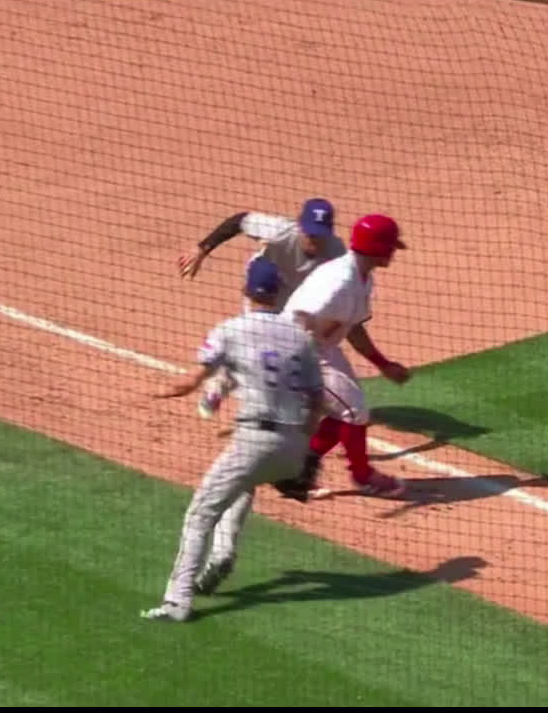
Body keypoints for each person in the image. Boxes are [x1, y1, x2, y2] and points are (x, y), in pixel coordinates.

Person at [142, 257, 325, 622]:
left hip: (255, 438)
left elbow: (194, 380)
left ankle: (177, 603)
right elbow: (317, 399)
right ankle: (223, 552)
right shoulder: (300, 338)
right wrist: (302, 444)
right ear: (278, 294)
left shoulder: (231, 329)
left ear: (246, 290)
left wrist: (163, 391)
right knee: (243, 482)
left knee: (199, 514)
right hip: (292, 446)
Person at [271, 212, 412, 501]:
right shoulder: (338, 283)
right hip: (299, 349)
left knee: (348, 410)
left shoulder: (362, 278)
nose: (393, 253)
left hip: (322, 347)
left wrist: (383, 365)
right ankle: (363, 478)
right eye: (391, 247)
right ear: (378, 247)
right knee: (354, 411)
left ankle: (296, 468)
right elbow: (301, 317)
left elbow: (353, 328)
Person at [177, 198, 347, 420]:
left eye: (321, 236)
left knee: (297, 346)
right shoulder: (279, 231)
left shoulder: (337, 252)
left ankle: (294, 400)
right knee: (255, 341)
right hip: (265, 282)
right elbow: (239, 221)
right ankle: (218, 385)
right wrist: (202, 249)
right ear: (300, 226)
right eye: (311, 234)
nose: (315, 241)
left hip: (300, 295)